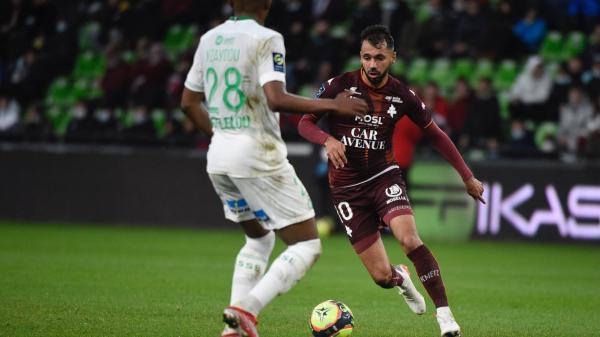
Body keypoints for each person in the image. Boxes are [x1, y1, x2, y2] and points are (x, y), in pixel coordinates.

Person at [179, 1, 367, 337]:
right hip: (257, 155)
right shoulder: (267, 38)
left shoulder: (209, 39)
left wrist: (224, 135)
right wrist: (333, 104)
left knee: (259, 239)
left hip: (219, 156)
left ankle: (233, 331)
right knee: (307, 245)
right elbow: (276, 98)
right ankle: (246, 310)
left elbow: (188, 102)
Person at [298, 25, 485, 337]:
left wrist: (467, 176)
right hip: (346, 189)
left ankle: (445, 316)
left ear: (393, 58)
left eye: (379, 58)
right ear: (360, 56)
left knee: (410, 239)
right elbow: (304, 121)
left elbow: (435, 135)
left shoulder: (401, 95)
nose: (372, 65)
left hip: (384, 177)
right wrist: (327, 140)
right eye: (367, 57)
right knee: (381, 277)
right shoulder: (338, 86)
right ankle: (400, 277)